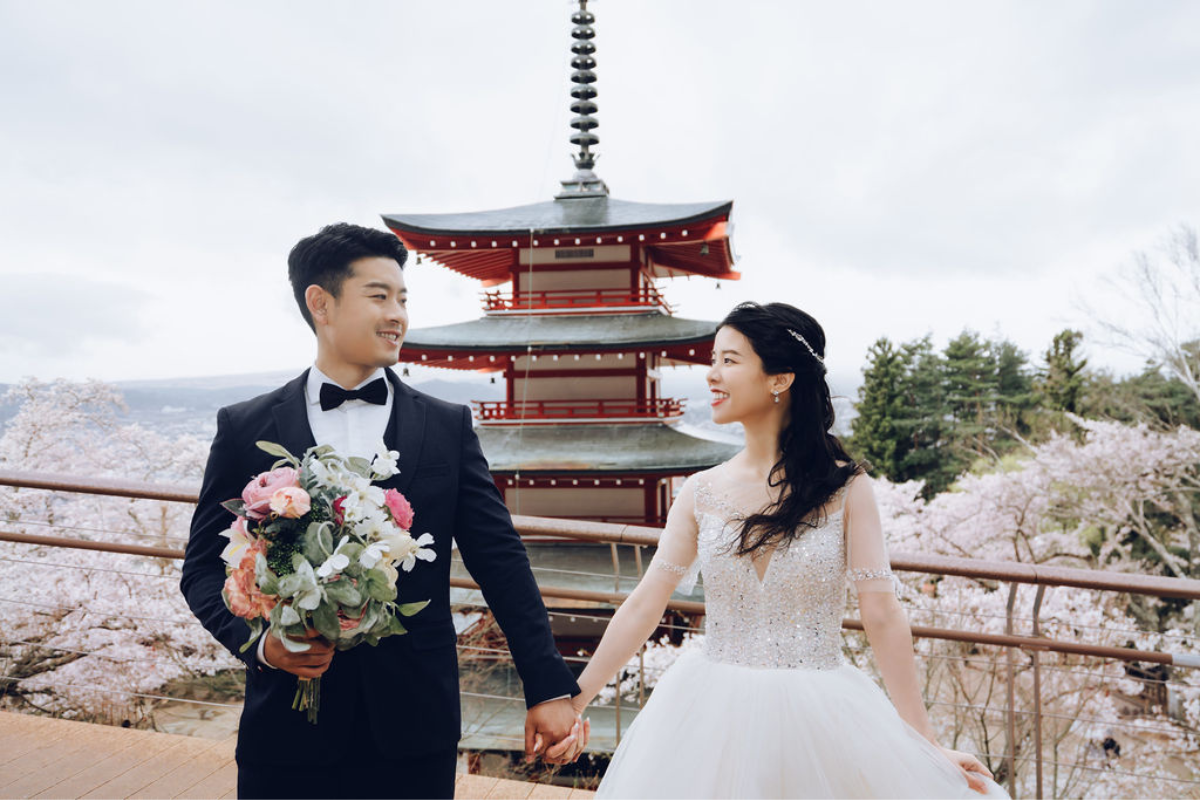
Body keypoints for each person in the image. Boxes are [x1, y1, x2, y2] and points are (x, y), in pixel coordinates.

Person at [180, 223, 586, 799]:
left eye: (402, 298)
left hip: (413, 727)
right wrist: (261, 645)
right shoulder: (246, 426)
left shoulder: (446, 427)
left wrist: (547, 687)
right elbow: (200, 570)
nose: (397, 313)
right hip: (285, 733)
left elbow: (500, 560)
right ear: (320, 303)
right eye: (379, 296)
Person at [568, 302, 1007, 798]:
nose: (711, 375)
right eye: (713, 359)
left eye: (729, 361)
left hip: (822, 712)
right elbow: (646, 604)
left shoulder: (846, 489)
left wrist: (925, 746)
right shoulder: (698, 492)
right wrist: (575, 701)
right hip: (708, 714)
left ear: (779, 378)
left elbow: (882, 613)